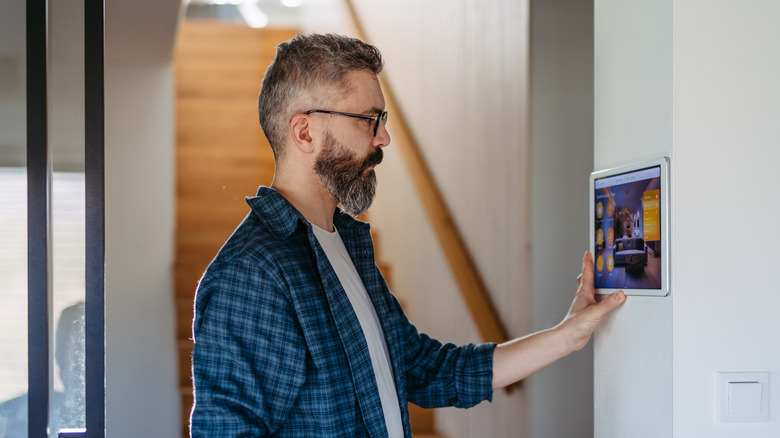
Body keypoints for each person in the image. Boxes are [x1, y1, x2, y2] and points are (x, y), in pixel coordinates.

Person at [189, 33, 625, 437]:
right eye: (368, 120)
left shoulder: (347, 244)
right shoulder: (252, 273)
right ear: (305, 132)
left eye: (382, 119)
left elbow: (426, 370)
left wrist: (568, 335)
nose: (385, 137)